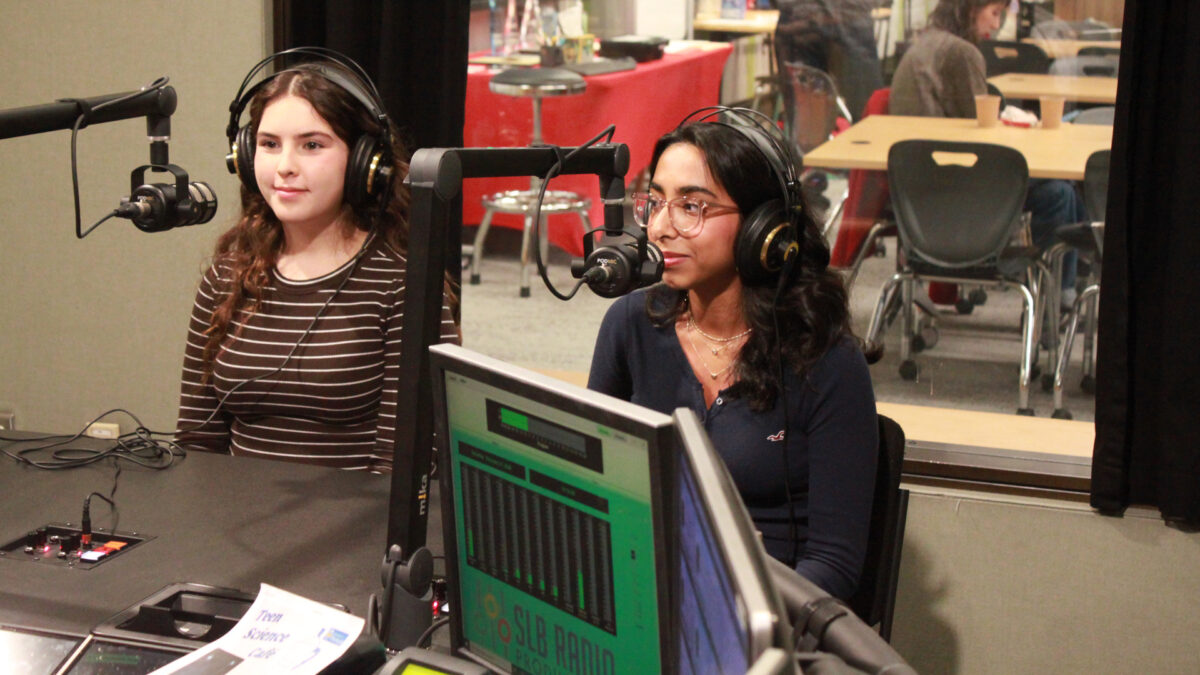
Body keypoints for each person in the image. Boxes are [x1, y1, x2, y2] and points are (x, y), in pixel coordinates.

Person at [588, 111, 879, 600]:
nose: (660, 227)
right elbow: (592, 490)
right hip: (643, 599)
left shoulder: (825, 361)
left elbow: (833, 567)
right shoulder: (630, 325)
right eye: (655, 202)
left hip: (764, 622)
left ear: (764, 230)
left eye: (692, 207)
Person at [174, 56, 459, 472]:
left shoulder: (403, 283)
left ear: (365, 162)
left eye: (312, 145)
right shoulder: (228, 273)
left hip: (357, 529)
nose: (285, 166)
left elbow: (404, 467)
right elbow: (197, 441)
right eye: (270, 144)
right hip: (228, 523)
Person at [890, 0, 1084, 303]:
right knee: (1061, 192)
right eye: (994, 13)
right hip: (960, 192)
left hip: (917, 195)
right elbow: (983, 134)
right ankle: (1057, 301)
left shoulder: (924, 44)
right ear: (969, 10)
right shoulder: (961, 53)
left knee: (1058, 190)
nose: (996, 25)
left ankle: (1062, 294)